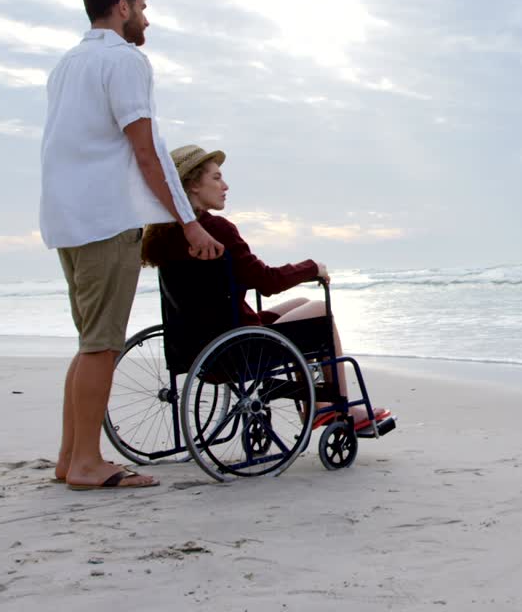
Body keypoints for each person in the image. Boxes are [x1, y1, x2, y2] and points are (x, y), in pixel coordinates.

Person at [39, 0, 224, 491]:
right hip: (103, 217)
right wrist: (189, 224)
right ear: (122, 6)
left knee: (89, 342)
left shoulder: (67, 63)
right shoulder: (124, 62)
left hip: (65, 216)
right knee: (102, 345)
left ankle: (70, 457)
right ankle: (86, 464)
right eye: (142, 7)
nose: (145, 18)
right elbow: (147, 152)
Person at [141, 145, 392, 432]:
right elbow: (267, 281)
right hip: (236, 347)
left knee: (299, 303)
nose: (225, 186)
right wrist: (313, 268)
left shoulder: (163, 237)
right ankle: (334, 406)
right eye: (216, 178)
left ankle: (316, 404)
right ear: (193, 186)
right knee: (320, 311)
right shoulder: (217, 229)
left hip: (195, 348)